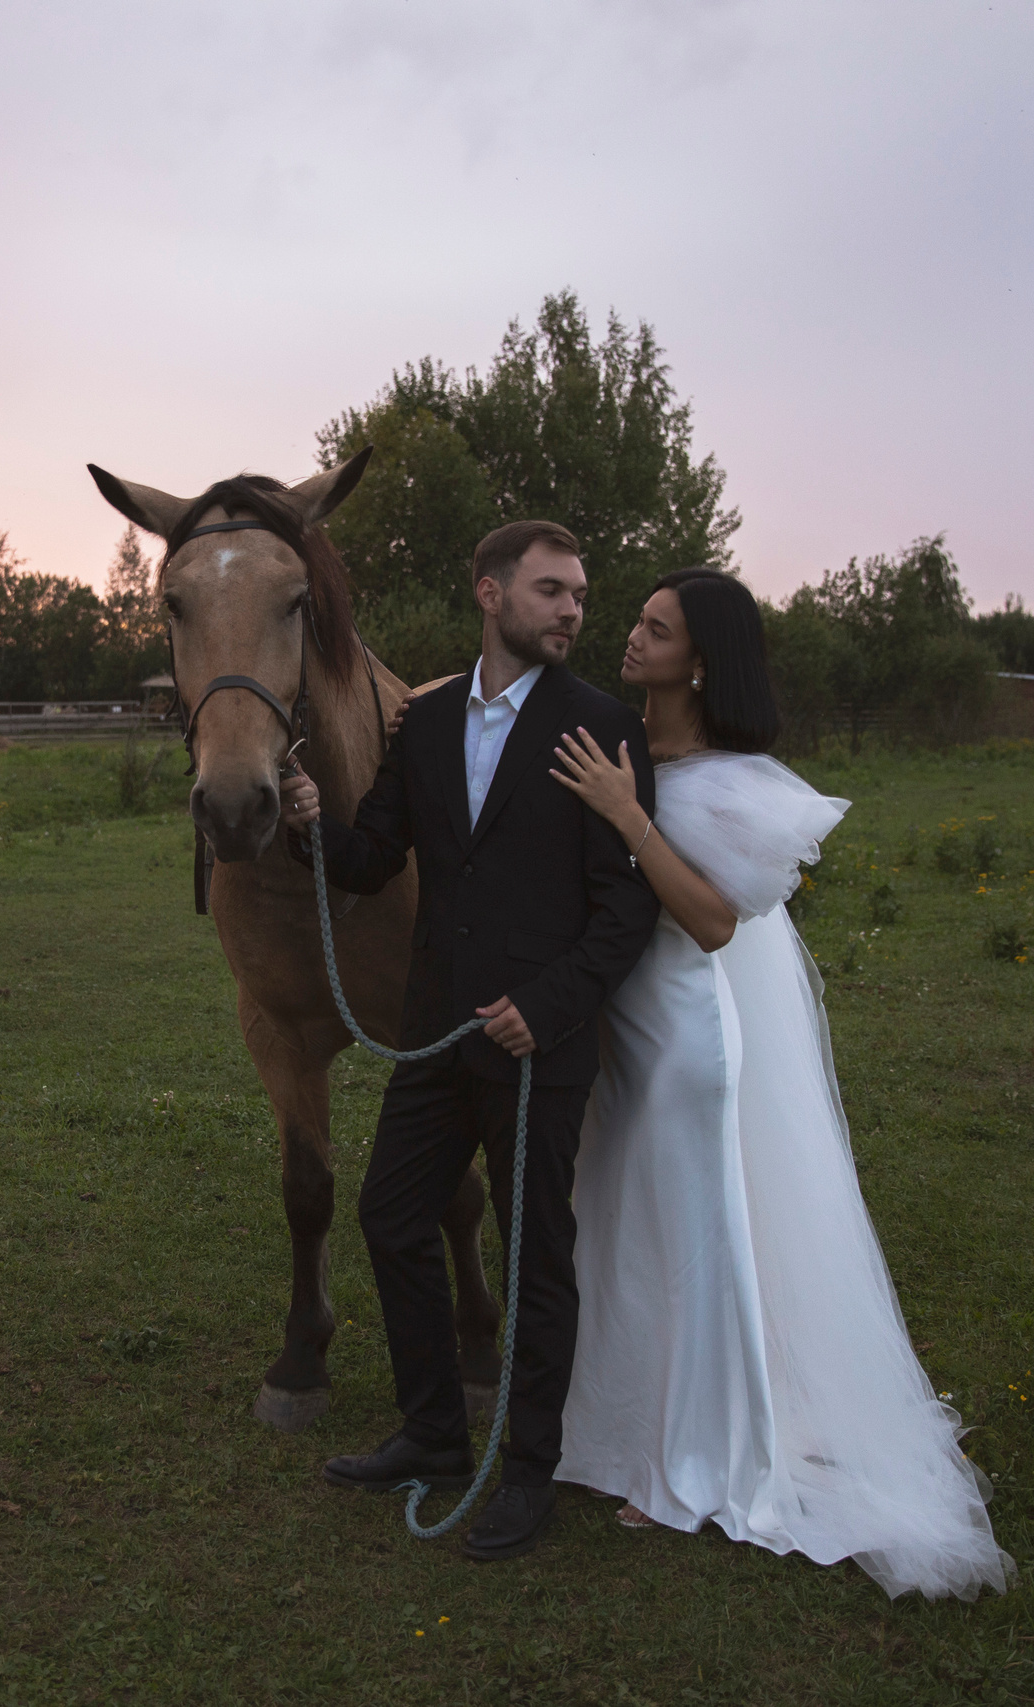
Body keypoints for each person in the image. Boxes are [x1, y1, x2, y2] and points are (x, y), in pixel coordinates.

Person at [545, 567, 1015, 1601]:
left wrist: (631, 819)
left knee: (692, 1240)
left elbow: (711, 921)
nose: (629, 637)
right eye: (635, 620)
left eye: (655, 630)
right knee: (619, 1229)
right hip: (615, 1031)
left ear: (699, 662)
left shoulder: (734, 783)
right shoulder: (621, 741)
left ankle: (693, 1465)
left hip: (679, 1035)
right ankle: (616, 1433)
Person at [280, 519, 661, 1561]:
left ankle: (531, 1467)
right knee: (390, 1215)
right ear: (489, 594)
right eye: (551, 591)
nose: (572, 610)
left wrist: (551, 1006)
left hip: (541, 1045)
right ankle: (435, 1433)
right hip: (436, 1030)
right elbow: (374, 860)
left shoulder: (601, 727)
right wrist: (316, 820)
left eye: (578, 594)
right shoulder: (428, 717)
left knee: (537, 1257)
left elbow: (624, 912)